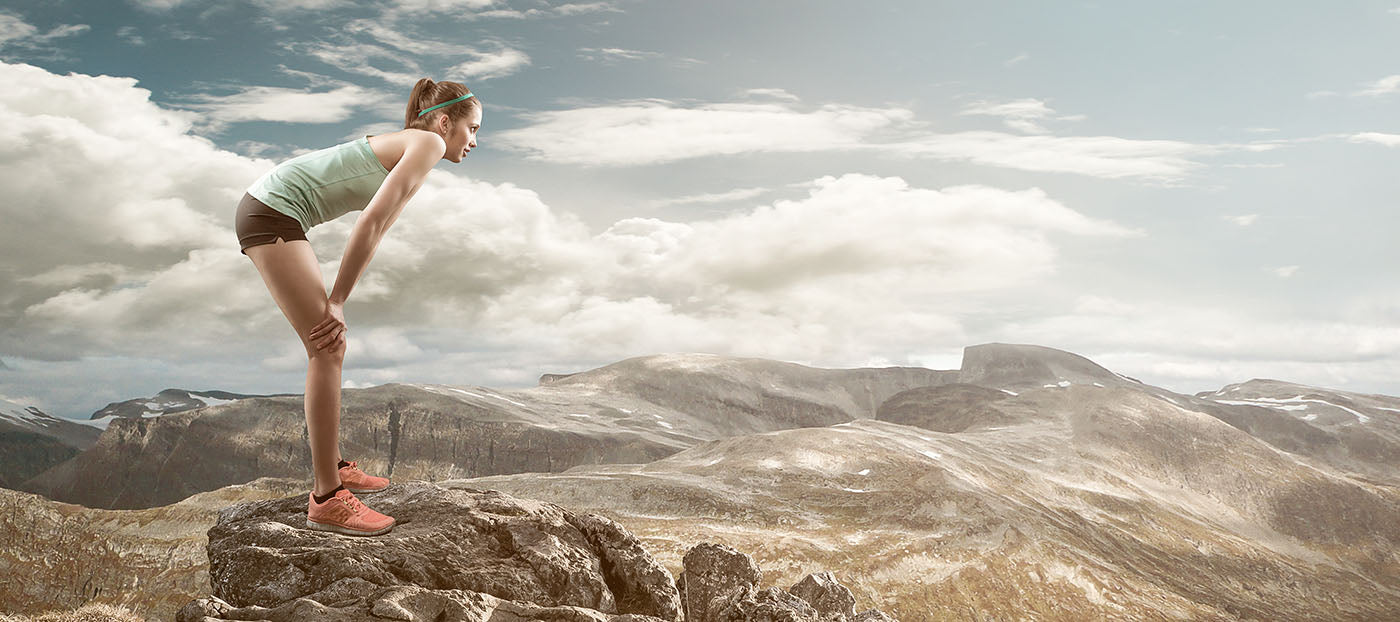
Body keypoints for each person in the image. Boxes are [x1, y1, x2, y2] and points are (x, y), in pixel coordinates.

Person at [234, 78, 482, 537]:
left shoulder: (415, 147)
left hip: (271, 209)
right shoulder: (427, 142)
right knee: (326, 347)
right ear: (446, 122)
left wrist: (338, 297)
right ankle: (327, 498)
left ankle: (334, 468)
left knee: (330, 347)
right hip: (270, 212)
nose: (474, 141)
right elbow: (368, 223)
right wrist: (337, 300)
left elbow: (379, 227)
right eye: (473, 129)